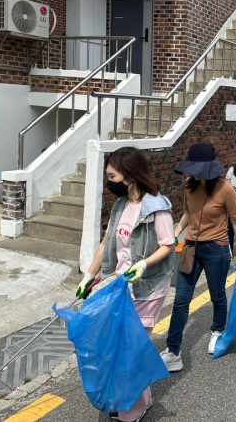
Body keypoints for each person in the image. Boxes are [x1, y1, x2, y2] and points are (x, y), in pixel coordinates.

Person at [77, 147, 175, 422]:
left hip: (148, 289)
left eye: (112, 175)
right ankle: (137, 398)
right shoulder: (120, 206)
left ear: (130, 175)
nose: (109, 181)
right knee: (119, 347)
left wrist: (143, 264)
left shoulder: (157, 206)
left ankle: (133, 406)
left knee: (131, 349)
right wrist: (89, 276)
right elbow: (107, 244)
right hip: (121, 289)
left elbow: (169, 244)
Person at [160, 143, 236, 372]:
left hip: (216, 249)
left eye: (196, 169)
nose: (191, 173)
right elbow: (189, 212)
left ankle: (217, 330)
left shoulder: (225, 188)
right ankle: (173, 352)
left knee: (217, 295)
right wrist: (176, 233)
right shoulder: (189, 186)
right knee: (180, 300)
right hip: (191, 248)